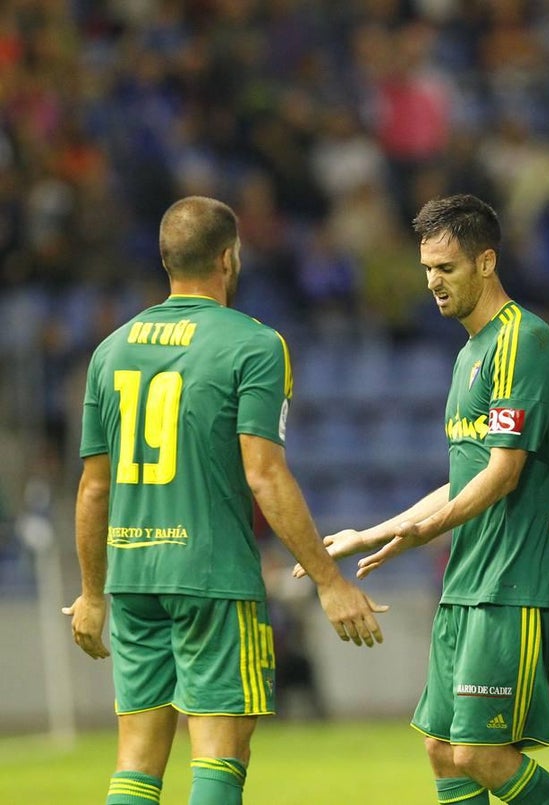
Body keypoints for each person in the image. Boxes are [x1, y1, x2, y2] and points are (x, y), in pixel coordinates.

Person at [63, 195, 386, 805]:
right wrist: (328, 580)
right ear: (229, 258)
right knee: (220, 754)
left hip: (132, 578)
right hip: (211, 574)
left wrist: (89, 592)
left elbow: (94, 486)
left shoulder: (110, 350)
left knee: (135, 761)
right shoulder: (253, 345)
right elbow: (264, 475)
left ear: (165, 260)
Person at [300, 194, 549, 805]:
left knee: (480, 753)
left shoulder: (523, 341)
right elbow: (463, 477)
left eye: (445, 269)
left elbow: (504, 473)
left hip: (512, 584)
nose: (432, 283)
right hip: (467, 583)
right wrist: (373, 534)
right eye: (427, 269)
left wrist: (430, 532)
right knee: (442, 750)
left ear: (485, 262)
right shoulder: (468, 355)